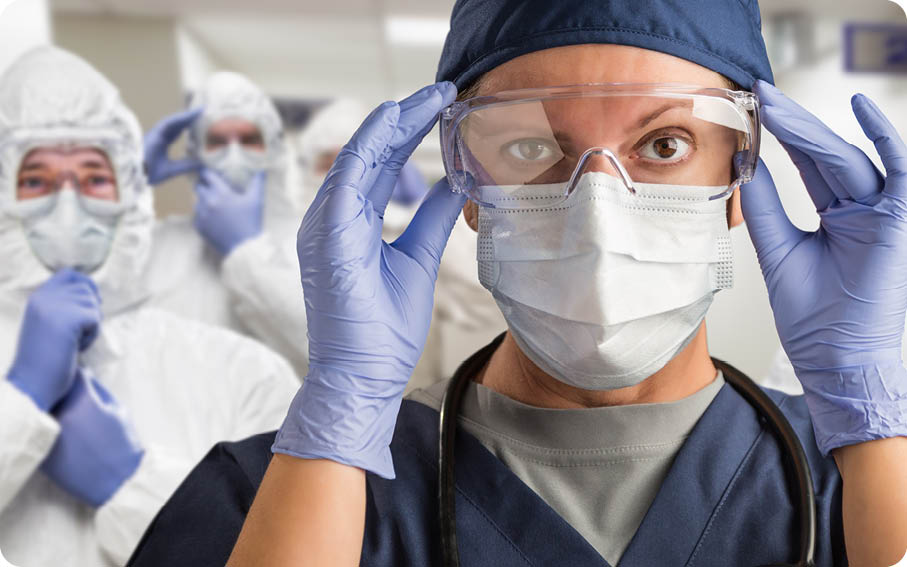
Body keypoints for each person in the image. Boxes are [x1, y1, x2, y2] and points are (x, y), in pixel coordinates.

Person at [129, 1, 907, 565]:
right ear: (468, 187)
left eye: (663, 142)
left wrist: (866, 407)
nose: (597, 205)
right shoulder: (270, 493)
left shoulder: (848, 481)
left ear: (739, 178)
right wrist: (340, 413)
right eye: (533, 146)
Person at [0, 46, 299, 567]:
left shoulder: (240, 374)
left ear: (130, 194)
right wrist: (19, 407)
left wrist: (134, 487)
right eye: (35, 181)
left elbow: (297, 551)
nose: (68, 207)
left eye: (95, 177)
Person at [142, 71, 311, 375]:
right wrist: (129, 179)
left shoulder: (318, 247)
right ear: (195, 152)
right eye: (218, 141)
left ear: (272, 148)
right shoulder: (162, 246)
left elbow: (338, 355)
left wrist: (246, 254)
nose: (234, 155)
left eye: (249, 140)